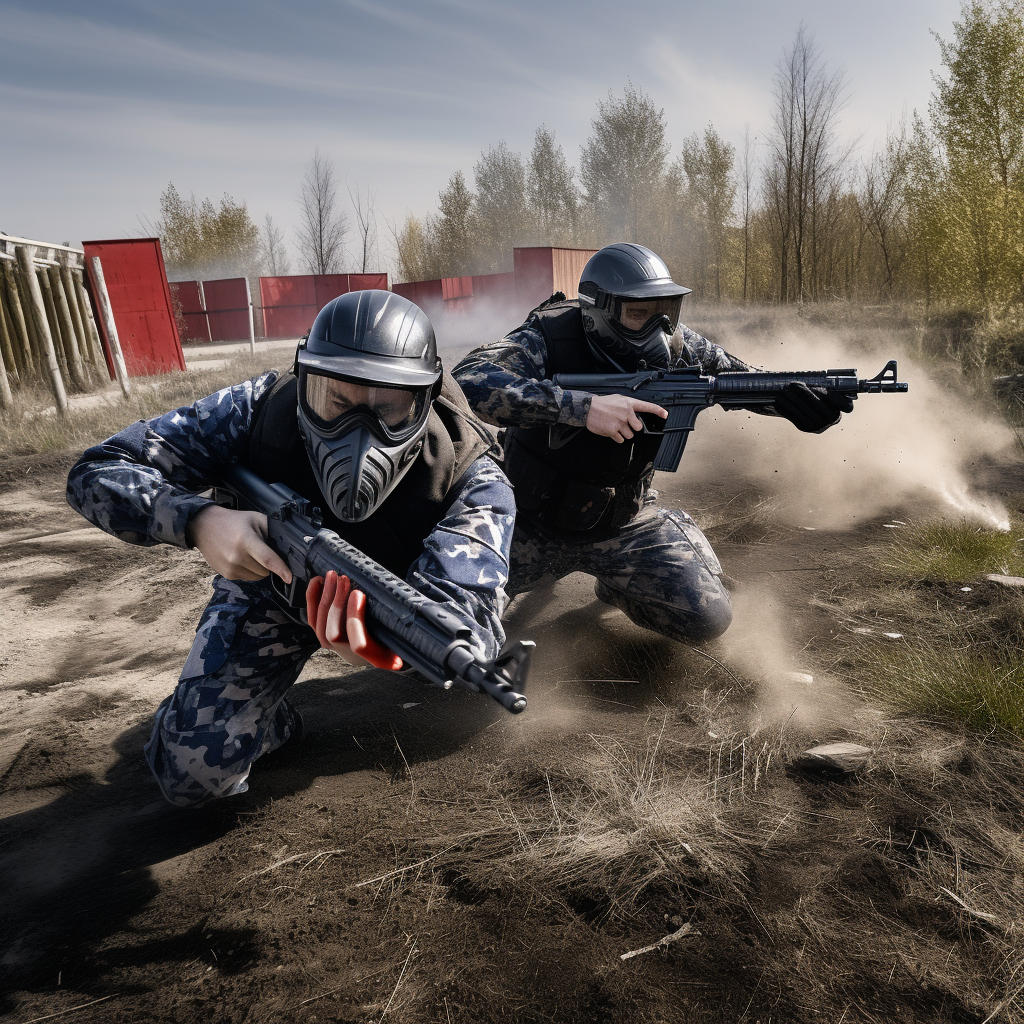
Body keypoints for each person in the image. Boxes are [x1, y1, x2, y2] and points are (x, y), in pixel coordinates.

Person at [67, 290, 515, 808]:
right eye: (338, 403)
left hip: (377, 603)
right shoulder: (260, 407)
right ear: (305, 382)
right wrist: (200, 521)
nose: (359, 435)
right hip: (267, 586)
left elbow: (466, 617)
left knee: (458, 695)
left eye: (388, 410)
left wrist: (383, 650)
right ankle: (270, 719)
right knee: (190, 773)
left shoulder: (471, 478)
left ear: (426, 398)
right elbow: (97, 470)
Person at [453, 242, 852, 644]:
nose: (657, 329)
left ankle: (622, 577)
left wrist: (790, 401)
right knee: (456, 628)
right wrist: (579, 407)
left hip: (625, 524)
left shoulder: (681, 347)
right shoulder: (549, 337)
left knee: (707, 618)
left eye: (666, 312)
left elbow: (738, 380)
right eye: (638, 314)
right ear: (598, 311)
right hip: (526, 523)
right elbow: (464, 382)